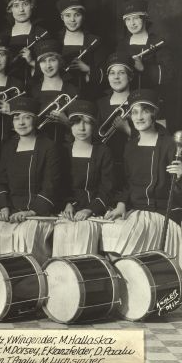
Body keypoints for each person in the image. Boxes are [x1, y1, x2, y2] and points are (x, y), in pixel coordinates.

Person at [101, 90, 182, 275]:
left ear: (154, 114)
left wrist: (181, 176)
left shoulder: (169, 144)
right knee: (109, 238)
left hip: (161, 213)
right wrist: (120, 205)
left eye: (144, 111)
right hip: (136, 210)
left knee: (129, 240)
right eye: (134, 112)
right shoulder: (131, 145)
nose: (139, 117)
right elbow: (128, 183)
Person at [0, 96, 60, 265]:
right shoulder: (8, 147)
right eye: (16, 117)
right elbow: (0, 181)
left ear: (35, 120)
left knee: (26, 234)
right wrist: (4, 207)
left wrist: (30, 212)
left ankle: (32, 281)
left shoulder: (49, 147)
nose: (21, 122)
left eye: (26, 117)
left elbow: (51, 185)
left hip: (38, 214)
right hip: (12, 211)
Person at [53, 100, 114, 257]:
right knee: (62, 231)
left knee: (84, 232)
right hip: (67, 210)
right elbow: (57, 185)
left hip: (94, 209)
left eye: (87, 123)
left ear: (94, 125)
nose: (81, 128)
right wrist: (67, 204)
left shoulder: (103, 151)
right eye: (76, 122)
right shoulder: (62, 150)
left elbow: (107, 187)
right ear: (70, 125)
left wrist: (90, 209)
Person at [96, 52, 135, 189]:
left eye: (121, 73)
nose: (116, 77)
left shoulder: (138, 103)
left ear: (130, 77)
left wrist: (127, 129)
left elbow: (153, 138)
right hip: (106, 167)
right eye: (112, 73)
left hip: (134, 164)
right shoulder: (100, 104)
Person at [118, 0, 172, 97]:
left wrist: (144, 68)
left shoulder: (158, 43)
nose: (132, 23)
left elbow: (168, 75)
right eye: (128, 19)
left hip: (152, 96)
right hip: (127, 97)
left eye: (136, 18)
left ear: (144, 19)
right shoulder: (121, 45)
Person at [55, 0, 105, 99]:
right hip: (60, 92)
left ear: (83, 16)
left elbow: (104, 72)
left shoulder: (94, 40)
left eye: (77, 15)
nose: (72, 20)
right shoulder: (55, 40)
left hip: (87, 93)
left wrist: (87, 68)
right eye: (68, 15)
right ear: (61, 17)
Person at [0, 0, 49, 88]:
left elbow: (52, 67)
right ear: (10, 9)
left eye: (25, 4)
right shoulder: (3, 35)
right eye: (16, 6)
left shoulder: (42, 34)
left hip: (36, 87)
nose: (21, 10)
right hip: (9, 88)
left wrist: (31, 62)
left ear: (32, 6)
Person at [30, 39, 78, 145]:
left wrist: (66, 122)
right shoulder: (33, 91)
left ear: (60, 61)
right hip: (37, 144)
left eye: (52, 60)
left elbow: (81, 128)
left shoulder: (72, 90)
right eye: (43, 61)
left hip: (65, 145)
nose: (48, 66)